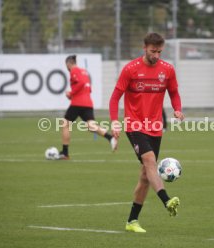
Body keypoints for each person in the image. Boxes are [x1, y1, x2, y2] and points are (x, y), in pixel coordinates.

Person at [109, 33, 184, 233]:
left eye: (159, 51)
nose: (156, 55)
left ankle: (132, 221)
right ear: (144, 48)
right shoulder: (131, 69)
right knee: (150, 161)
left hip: (155, 127)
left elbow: (174, 92)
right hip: (134, 124)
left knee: (145, 175)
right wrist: (115, 122)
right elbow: (115, 98)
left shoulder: (167, 70)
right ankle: (167, 201)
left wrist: (177, 108)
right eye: (153, 51)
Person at [58, 55, 117, 160]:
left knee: (65, 124)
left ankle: (65, 153)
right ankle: (110, 138)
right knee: (91, 126)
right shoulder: (84, 71)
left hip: (77, 103)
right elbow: (88, 88)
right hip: (88, 103)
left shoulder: (74, 71)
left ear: (68, 63)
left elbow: (80, 83)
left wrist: (71, 93)